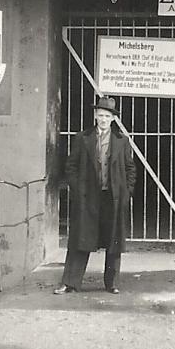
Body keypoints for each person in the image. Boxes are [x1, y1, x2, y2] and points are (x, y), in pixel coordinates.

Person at [54, 96, 136, 295]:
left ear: (113, 119)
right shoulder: (82, 138)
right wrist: (77, 189)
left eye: (107, 116)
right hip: (88, 197)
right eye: (100, 115)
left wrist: (126, 192)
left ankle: (112, 283)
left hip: (112, 197)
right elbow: (71, 166)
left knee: (113, 242)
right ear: (95, 116)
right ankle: (70, 283)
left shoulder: (121, 141)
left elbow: (130, 168)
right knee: (80, 239)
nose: (103, 119)